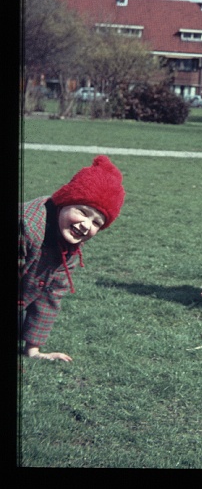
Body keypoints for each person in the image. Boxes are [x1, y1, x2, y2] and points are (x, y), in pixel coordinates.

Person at [19, 155, 125, 362]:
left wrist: (33, 350)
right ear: (64, 201)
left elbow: (50, 295)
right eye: (82, 212)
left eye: (96, 223)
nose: (86, 225)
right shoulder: (26, 227)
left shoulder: (68, 246)